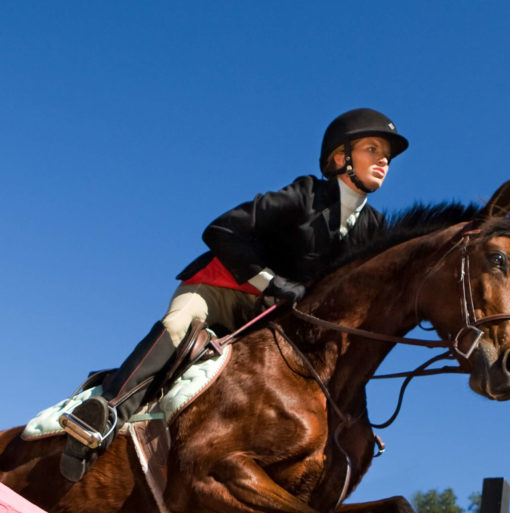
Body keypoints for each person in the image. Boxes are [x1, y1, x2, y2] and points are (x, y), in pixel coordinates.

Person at [60, 108, 409, 482]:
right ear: (340, 158)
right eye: (372, 148)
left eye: (386, 153)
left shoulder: (374, 229)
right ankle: (103, 414)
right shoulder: (305, 194)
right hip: (222, 290)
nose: (384, 159)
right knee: (179, 326)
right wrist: (273, 284)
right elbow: (221, 230)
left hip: (274, 319)